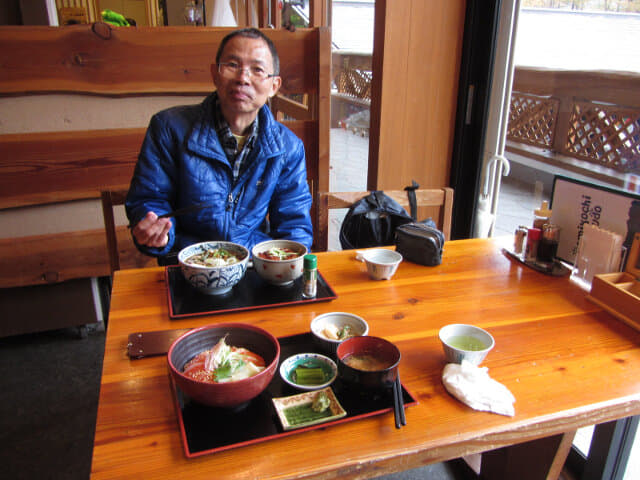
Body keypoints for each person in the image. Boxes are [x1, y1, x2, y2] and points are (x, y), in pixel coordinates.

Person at [126, 28, 313, 263]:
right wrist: (158, 232)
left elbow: (294, 225)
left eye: (257, 69)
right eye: (232, 65)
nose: (243, 78)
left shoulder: (288, 147)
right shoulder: (169, 128)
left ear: (274, 86)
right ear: (215, 74)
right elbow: (149, 199)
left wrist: (284, 267)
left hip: (253, 266)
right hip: (187, 265)